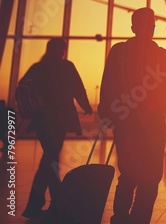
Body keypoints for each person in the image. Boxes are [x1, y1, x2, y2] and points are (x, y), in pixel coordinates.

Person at [98, 8, 166, 224]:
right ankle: (138, 219)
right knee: (151, 178)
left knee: (128, 176)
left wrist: (107, 113)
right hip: (153, 126)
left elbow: (108, 85)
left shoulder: (118, 52)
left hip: (126, 124)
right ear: (151, 27)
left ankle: (121, 218)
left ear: (133, 27)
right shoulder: (162, 56)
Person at [21, 38, 93, 222]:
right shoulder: (66, 67)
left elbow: (23, 87)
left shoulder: (38, 68)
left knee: (50, 159)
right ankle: (53, 203)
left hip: (42, 121)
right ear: (61, 50)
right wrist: (86, 106)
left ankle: (42, 204)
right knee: (51, 160)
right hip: (59, 121)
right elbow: (78, 88)